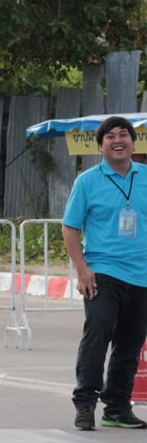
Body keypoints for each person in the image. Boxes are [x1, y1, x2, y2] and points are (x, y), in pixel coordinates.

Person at [62, 115, 147, 431]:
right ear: (100, 146)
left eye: (123, 134)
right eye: (110, 136)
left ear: (133, 143)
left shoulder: (145, 176)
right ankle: (85, 402)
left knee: (130, 343)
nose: (117, 140)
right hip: (102, 271)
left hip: (142, 273)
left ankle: (117, 408)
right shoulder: (87, 181)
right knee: (98, 333)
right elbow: (70, 228)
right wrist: (82, 270)